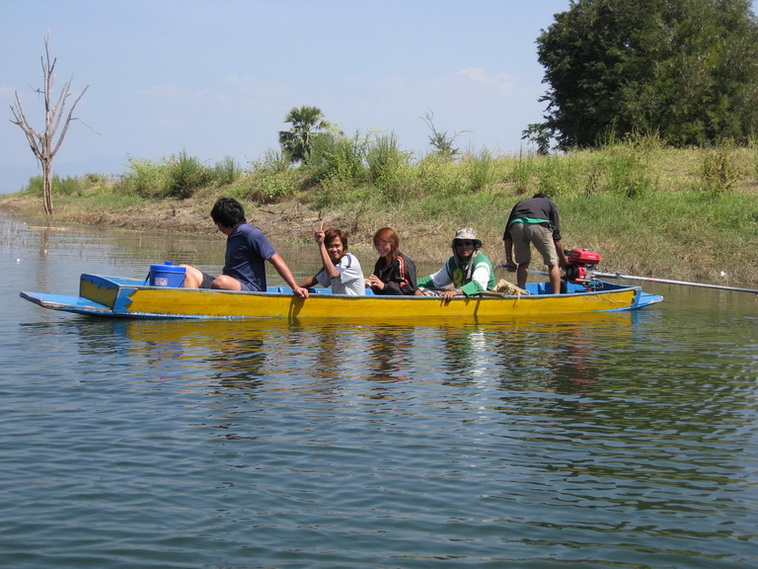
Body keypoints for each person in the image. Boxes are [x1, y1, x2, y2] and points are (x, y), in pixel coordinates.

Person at [182, 197, 309, 298]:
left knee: (220, 282)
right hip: (230, 284)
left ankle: (200, 302)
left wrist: (295, 287)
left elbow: (276, 259)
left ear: (222, 222)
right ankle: (192, 305)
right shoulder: (233, 234)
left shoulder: (251, 233)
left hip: (251, 289)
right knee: (184, 269)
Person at [502, 192, 569, 294]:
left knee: (523, 263)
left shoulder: (520, 203)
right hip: (538, 225)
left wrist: (509, 259)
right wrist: (563, 259)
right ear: (546, 199)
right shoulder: (549, 204)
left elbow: (507, 236)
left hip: (517, 226)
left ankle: (521, 291)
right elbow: (556, 237)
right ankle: (556, 295)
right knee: (553, 263)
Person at [417, 227, 496, 300]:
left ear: (475, 246)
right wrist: (411, 284)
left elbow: (478, 285)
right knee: (418, 292)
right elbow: (435, 281)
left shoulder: (481, 262)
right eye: (460, 244)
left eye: (468, 243)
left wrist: (456, 291)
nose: (464, 247)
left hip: (483, 298)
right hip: (461, 297)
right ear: (455, 247)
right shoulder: (453, 262)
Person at [298, 223, 365, 295]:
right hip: (339, 303)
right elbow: (315, 280)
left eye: (337, 246)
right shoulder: (332, 264)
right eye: (330, 246)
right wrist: (296, 287)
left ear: (344, 247)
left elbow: (333, 274)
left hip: (353, 304)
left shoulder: (349, 260)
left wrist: (321, 244)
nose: (334, 249)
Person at [365, 227, 421, 295]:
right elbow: (379, 286)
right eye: (378, 245)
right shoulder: (381, 262)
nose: (380, 248)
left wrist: (384, 286)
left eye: (384, 244)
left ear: (392, 243)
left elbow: (409, 289)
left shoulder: (402, 262)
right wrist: (371, 284)